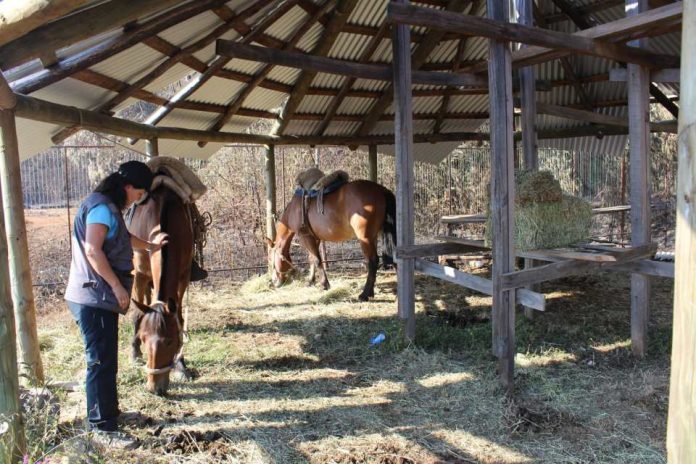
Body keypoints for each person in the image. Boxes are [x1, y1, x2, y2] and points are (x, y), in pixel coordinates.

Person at [64, 160, 167, 448]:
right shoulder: (101, 208)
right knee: (99, 361)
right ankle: (102, 428)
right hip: (93, 296)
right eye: (138, 194)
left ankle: (110, 414)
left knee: (107, 358)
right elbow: (93, 251)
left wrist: (149, 246)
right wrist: (116, 286)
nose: (138, 199)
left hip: (97, 296)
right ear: (128, 186)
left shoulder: (108, 207)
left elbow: (122, 238)